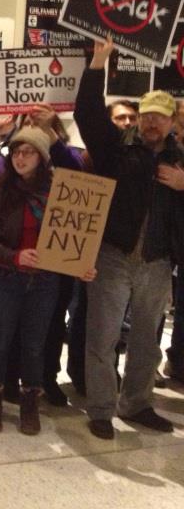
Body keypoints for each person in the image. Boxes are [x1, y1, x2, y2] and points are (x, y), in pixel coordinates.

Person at [75, 37, 184, 440]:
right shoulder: (116, 149)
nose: (153, 122)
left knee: (146, 343)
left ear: (172, 122)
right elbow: (87, 114)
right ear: (139, 118)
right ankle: (101, 409)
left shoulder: (180, 161)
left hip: (157, 262)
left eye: (161, 117)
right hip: (113, 256)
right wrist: (97, 64)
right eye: (147, 115)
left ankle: (137, 404)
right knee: (102, 337)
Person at [0, 128, 90, 435]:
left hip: (44, 281)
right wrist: (14, 256)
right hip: (4, 277)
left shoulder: (59, 193)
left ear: (42, 157)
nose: (20, 158)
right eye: (16, 152)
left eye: (28, 152)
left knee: (35, 345)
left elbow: (73, 237)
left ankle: (30, 403)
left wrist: (80, 265)